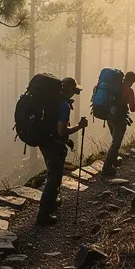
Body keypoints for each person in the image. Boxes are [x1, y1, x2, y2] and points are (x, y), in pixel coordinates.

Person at [36, 77, 88, 226]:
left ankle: (52, 204)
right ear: (70, 90)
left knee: (53, 175)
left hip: (45, 141)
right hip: (54, 145)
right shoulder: (63, 105)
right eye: (74, 90)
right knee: (53, 179)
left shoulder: (51, 100)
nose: (75, 94)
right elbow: (61, 131)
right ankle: (43, 216)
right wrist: (79, 126)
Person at [102, 71, 135, 176]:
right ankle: (106, 168)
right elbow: (133, 108)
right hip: (120, 119)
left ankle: (113, 161)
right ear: (133, 81)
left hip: (110, 117)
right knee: (116, 143)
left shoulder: (115, 86)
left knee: (115, 141)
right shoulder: (129, 91)